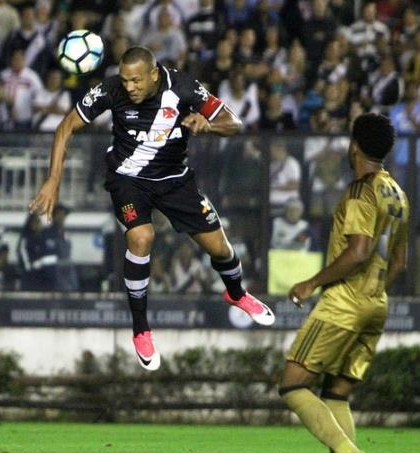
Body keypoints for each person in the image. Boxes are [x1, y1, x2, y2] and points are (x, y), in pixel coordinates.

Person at [29, 46, 274, 371]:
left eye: (136, 80)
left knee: (221, 249)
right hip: (128, 179)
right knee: (141, 237)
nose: (129, 87)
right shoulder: (110, 89)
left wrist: (207, 125)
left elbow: (235, 122)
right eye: (125, 79)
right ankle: (141, 328)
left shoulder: (184, 87)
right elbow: (66, 127)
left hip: (175, 180)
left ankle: (236, 293)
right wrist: (53, 181)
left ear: (154, 74)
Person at [279, 113, 408, 453]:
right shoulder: (398, 193)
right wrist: (373, 294)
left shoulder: (360, 190)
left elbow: (358, 250)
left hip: (344, 302)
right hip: (376, 304)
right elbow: (400, 261)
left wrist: (312, 283)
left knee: (292, 384)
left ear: (354, 146)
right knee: (336, 393)